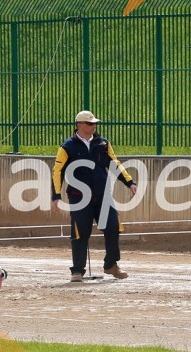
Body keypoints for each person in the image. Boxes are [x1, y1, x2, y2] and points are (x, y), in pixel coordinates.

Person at [51, 110, 137, 282]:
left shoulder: (103, 143)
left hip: (103, 195)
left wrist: (129, 182)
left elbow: (115, 163)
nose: (93, 126)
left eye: (94, 123)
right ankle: (77, 271)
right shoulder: (67, 146)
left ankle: (111, 265)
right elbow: (57, 171)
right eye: (90, 123)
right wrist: (56, 195)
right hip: (79, 197)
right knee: (80, 233)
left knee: (113, 227)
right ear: (79, 125)